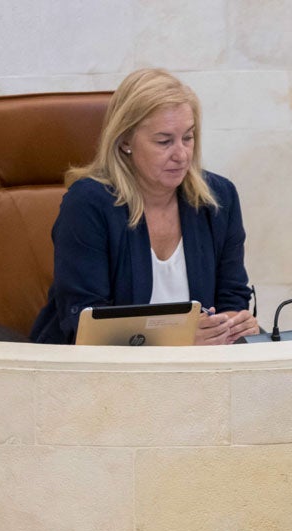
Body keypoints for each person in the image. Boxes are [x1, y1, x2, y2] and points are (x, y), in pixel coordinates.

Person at [28, 68, 259, 345]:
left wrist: (230, 324)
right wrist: (179, 339)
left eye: (188, 137)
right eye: (164, 141)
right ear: (125, 140)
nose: (182, 155)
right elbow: (86, 322)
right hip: (102, 375)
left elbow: (231, 294)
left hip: (199, 370)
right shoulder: (88, 204)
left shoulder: (219, 198)